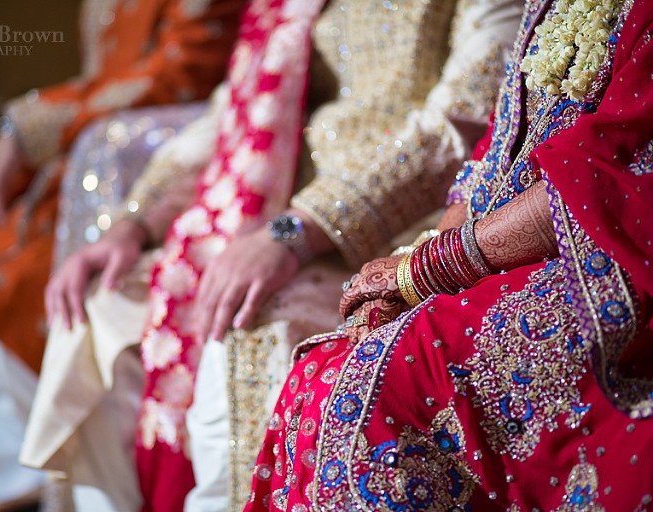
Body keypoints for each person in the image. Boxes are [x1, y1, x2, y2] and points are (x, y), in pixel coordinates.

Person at [37, 1, 524, 511]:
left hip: (393, 234)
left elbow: (464, 119)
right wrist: (133, 225)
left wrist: (300, 229)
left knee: (242, 334)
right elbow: (232, 115)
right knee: (98, 310)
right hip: (266, 222)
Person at [244, 0, 653, 509]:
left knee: (368, 382)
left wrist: (308, 233)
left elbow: (463, 125)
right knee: (306, 368)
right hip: (455, 230)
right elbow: (499, 136)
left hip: (594, 242)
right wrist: (425, 262)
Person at [0, 0, 244, 506]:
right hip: (97, 182)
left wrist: (28, 128)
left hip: (141, 174)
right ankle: (26, 484)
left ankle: (48, 479)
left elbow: (180, 78)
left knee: (70, 317)